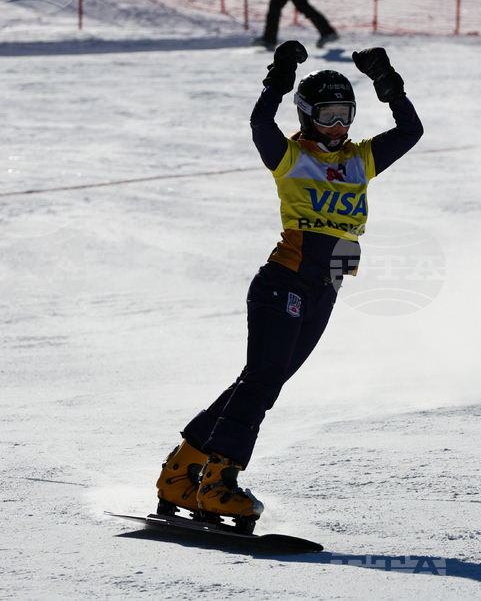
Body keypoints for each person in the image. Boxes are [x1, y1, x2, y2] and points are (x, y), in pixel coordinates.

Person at [155, 41, 423, 534]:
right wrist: (278, 77)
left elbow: (411, 131)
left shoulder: (361, 159)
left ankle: (182, 470)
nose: (338, 126)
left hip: (327, 287)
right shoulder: (291, 156)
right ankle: (219, 480)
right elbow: (261, 124)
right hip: (285, 281)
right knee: (262, 380)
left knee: (263, 381)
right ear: (306, 115)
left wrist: (386, 81)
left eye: (346, 115)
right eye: (327, 116)